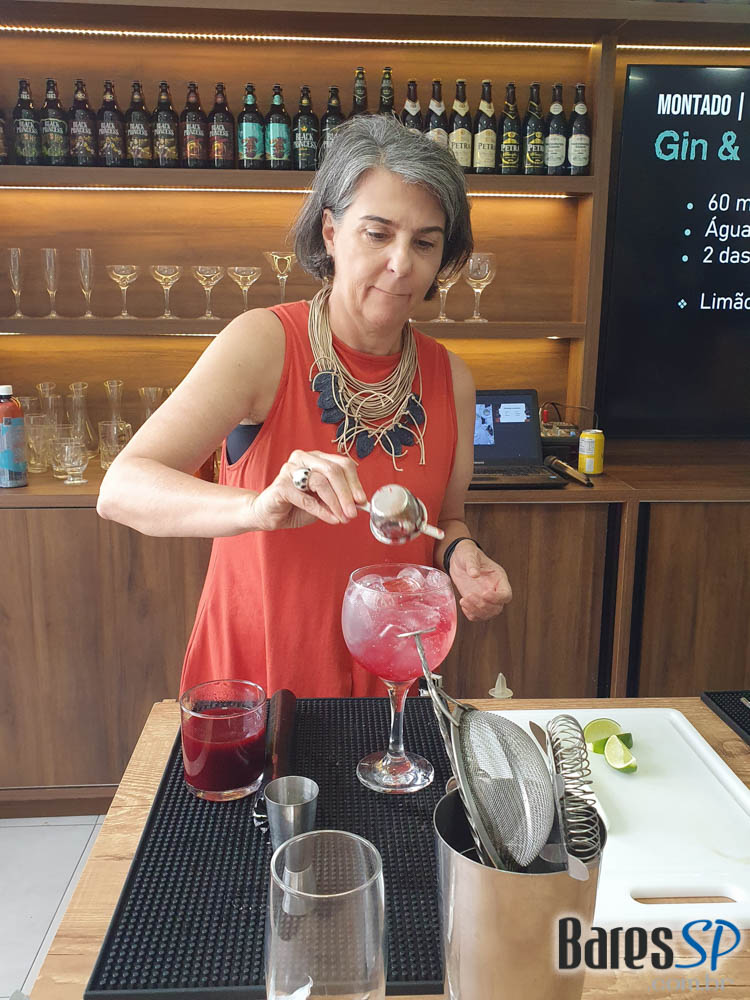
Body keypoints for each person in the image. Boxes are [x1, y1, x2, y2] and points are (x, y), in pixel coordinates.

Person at [97, 114, 512, 698]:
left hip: (388, 685)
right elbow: (122, 488)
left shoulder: (452, 379)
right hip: (260, 683)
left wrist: (461, 552)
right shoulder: (263, 344)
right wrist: (258, 506)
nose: (401, 263)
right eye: (377, 233)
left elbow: (444, 520)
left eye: (425, 242)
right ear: (330, 232)